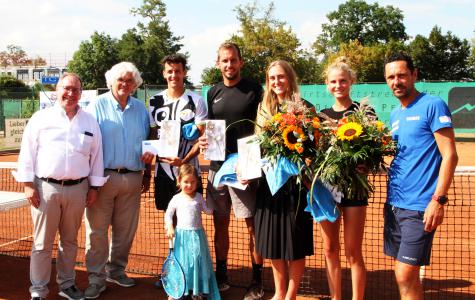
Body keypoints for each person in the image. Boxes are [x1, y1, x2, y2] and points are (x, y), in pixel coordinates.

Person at [14, 73, 106, 300]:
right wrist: (28, 184)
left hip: (78, 189)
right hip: (45, 189)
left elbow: (97, 157)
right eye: (66, 88)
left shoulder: (89, 121)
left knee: (70, 241)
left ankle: (67, 285)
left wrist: (94, 187)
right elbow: (27, 152)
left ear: (81, 93)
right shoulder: (40, 118)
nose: (70, 93)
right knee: (42, 243)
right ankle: (38, 290)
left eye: (75, 90)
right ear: (56, 90)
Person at [383, 52, 458, 300]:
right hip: (395, 206)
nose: (397, 81)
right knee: (405, 275)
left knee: (404, 274)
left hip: (420, 207)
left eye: (402, 75)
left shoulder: (433, 105)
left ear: (414, 75)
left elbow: (450, 155)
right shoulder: (394, 115)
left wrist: (438, 200)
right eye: (391, 77)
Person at [199, 42, 264, 300]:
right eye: (224, 61)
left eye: (233, 60)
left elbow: (261, 126)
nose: (229, 65)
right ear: (218, 63)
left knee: (252, 226)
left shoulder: (254, 90)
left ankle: (257, 279)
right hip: (217, 168)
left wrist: (252, 161)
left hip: (245, 168)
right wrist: (203, 140)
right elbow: (210, 128)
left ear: (241, 62)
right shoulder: (212, 92)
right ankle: (222, 274)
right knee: (220, 224)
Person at [84, 62, 154, 299]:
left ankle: (117, 270)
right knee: (97, 231)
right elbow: (87, 145)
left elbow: (148, 141)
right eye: (120, 80)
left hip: (133, 177)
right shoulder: (95, 106)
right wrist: (90, 181)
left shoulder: (141, 109)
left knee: (125, 231)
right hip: (102, 178)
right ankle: (96, 278)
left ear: (135, 84)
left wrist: (147, 168)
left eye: (130, 80)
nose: (125, 84)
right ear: (111, 82)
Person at [254, 60, 314, 300]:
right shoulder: (263, 107)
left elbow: (311, 146)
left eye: (281, 77)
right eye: (272, 78)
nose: (276, 82)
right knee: (273, 240)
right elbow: (257, 143)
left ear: (290, 78)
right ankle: (279, 293)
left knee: (295, 242)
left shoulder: (304, 107)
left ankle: (291, 294)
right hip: (269, 183)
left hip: (296, 185)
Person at [318, 57, 370, 300]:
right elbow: (316, 153)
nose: (338, 85)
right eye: (333, 82)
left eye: (343, 81)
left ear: (351, 82)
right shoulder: (321, 116)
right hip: (327, 191)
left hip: (354, 191)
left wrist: (365, 163)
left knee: (353, 252)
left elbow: (373, 148)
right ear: (327, 85)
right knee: (329, 249)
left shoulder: (363, 112)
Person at [149, 54, 207, 211]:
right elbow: (153, 136)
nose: (173, 75)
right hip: (163, 172)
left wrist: (183, 160)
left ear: (184, 73)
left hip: (188, 172)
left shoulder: (196, 101)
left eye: (177, 71)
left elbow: (201, 139)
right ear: (164, 73)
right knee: (169, 218)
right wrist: (148, 169)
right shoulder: (154, 102)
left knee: (191, 216)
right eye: (170, 71)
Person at [164, 164, 221, 300]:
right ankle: (178, 289)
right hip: (181, 237)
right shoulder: (176, 198)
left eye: (192, 182)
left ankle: (197, 290)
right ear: (179, 181)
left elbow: (206, 210)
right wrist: (170, 227)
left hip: (197, 235)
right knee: (182, 262)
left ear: (197, 182)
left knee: (197, 261)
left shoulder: (199, 197)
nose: (189, 185)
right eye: (186, 182)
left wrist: (212, 208)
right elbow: (168, 214)